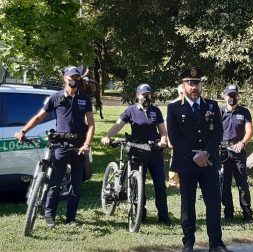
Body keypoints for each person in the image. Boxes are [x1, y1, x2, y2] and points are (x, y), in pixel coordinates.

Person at [16, 66, 95, 227]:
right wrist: (23, 131)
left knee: (76, 185)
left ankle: (71, 218)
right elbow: (39, 117)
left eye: (77, 77)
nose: (74, 79)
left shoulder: (84, 99)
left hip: (79, 146)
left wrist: (87, 144)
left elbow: (91, 124)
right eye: (71, 77)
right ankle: (49, 216)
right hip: (60, 144)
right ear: (65, 78)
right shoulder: (56, 98)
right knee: (55, 182)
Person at [166, 67, 231, 252]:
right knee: (188, 205)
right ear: (183, 85)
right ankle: (188, 242)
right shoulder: (174, 108)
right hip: (186, 164)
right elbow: (174, 137)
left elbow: (218, 132)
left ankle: (216, 243)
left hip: (209, 163)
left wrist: (206, 154)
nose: (194, 86)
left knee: (213, 203)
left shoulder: (212, 106)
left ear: (201, 84)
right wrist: (195, 156)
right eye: (190, 83)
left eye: (197, 83)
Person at [101, 84, 172, 225]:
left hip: (154, 150)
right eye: (143, 94)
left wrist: (163, 140)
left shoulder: (155, 111)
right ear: (137, 96)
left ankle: (163, 217)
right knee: (138, 185)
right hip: (137, 150)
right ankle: (141, 214)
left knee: (160, 186)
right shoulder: (131, 110)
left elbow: (163, 131)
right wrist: (107, 136)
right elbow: (118, 124)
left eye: (148, 94)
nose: (146, 97)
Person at [220, 84, 253, 223]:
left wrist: (242, 143)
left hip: (238, 151)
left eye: (234, 95)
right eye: (229, 95)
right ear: (224, 96)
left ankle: (247, 214)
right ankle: (228, 213)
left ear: (238, 96)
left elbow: (249, 131)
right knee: (224, 184)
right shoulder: (219, 112)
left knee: (242, 184)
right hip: (223, 152)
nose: (232, 98)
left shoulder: (244, 112)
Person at [167, 84, 184, 188]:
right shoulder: (173, 105)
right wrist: (169, 139)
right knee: (175, 158)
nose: (183, 94)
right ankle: (174, 180)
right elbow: (167, 123)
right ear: (178, 93)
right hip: (176, 137)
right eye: (181, 93)